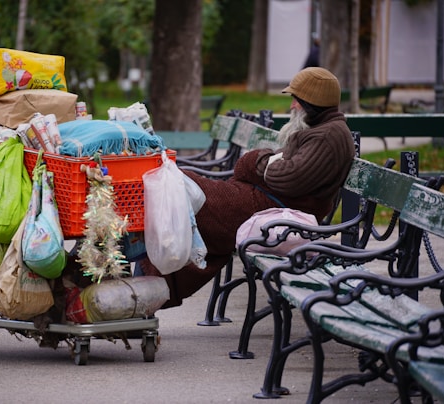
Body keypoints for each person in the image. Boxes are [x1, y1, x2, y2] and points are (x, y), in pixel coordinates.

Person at [139, 67, 356, 308]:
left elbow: (288, 178)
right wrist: (264, 162)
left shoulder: (328, 136)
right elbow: (280, 167)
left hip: (278, 214)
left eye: (297, 100)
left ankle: (144, 293)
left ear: (312, 103)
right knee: (182, 188)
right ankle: (147, 290)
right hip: (267, 204)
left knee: (182, 191)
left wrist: (255, 162)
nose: (293, 106)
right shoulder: (320, 130)